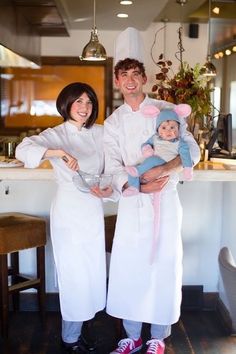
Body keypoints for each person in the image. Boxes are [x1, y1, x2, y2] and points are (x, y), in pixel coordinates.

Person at [103, 58, 200, 354]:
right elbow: (112, 167)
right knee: (130, 267)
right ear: (117, 82)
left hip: (166, 199)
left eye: (135, 74)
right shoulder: (113, 122)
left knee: (164, 264)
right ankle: (132, 336)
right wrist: (141, 185)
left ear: (144, 79)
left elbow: (191, 150)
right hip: (133, 203)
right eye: (123, 76)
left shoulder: (163, 110)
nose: (130, 80)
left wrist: (163, 170)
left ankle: (158, 336)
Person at [15, 82, 112, 353]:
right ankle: (69, 338)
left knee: (93, 273)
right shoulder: (55, 134)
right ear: (66, 104)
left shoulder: (101, 133)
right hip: (68, 212)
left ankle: (85, 328)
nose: (84, 107)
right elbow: (22, 150)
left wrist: (108, 188)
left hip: (93, 208)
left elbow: (114, 165)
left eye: (89, 102)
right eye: (78, 101)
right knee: (74, 275)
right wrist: (58, 152)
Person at [123, 104, 193, 196]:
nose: (168, 131)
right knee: (134, 170)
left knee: (150, 161)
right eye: (164, 128)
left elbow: (186, 156)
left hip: (165, 162)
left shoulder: (180, 142)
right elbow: (145, 144)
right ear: (158, 130)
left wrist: (188, 170)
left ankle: (137, 171)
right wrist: (147, 149)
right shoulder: (155, 138)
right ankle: (134, 188)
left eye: (172, 127)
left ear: (178, 129)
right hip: (151, 164)